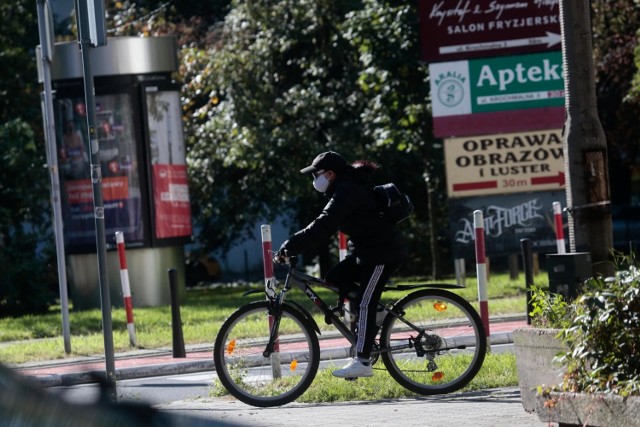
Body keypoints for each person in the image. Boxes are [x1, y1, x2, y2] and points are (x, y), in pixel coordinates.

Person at [275, 151, 407, 378]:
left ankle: (363, 360)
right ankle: (377, 314)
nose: (314, 180)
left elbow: (323, 225)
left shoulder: (346, 190)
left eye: (315, 175)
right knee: (334, 278)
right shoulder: (343, 187)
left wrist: (290, 246)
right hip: (367, 252)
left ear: (329, 173)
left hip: (382, 253)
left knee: (365, 302)